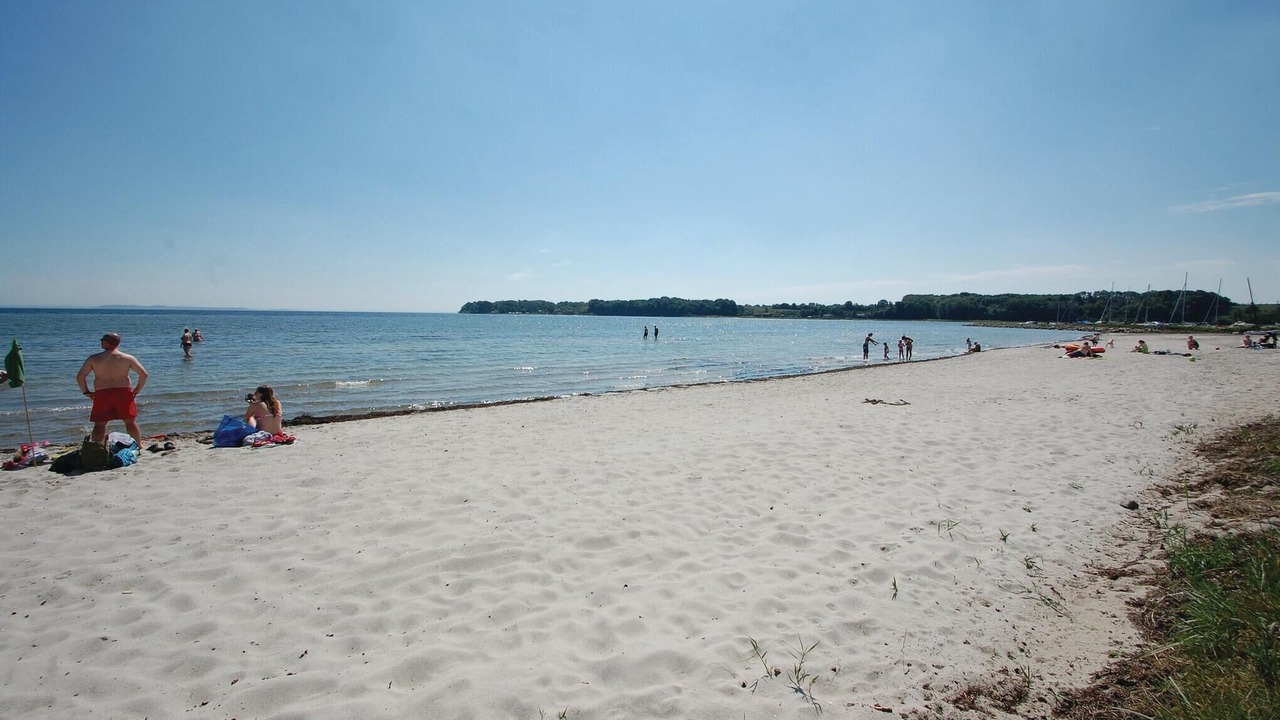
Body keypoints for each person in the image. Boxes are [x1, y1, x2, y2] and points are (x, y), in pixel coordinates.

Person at [76, 332, 148, 445]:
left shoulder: (94, 358)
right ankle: (138, 445)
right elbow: (143, 374)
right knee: (130, 422)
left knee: (100, 424)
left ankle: (96, 447)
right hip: (123, 392)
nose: (100, 341)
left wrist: (86, 392)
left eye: (102, 340)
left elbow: (80, 376)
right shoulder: (127, 358)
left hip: (102, 392)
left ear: (108, 342)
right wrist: (137, 390)